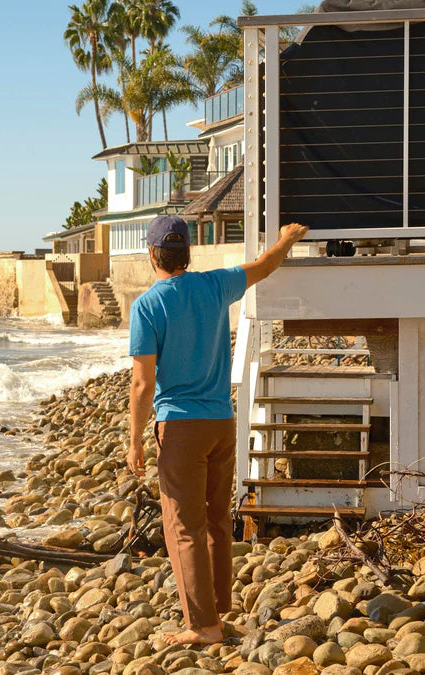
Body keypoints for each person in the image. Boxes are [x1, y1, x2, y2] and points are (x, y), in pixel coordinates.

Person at [128, 215, 308, 646]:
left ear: (152, 253)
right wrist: (287, 239)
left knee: (184, 527)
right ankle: (219, 610)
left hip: (180, 427)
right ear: (186, 252)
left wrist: (134, 438)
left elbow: (142, 383)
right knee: (215, 521)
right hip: (221, 424)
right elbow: (265, 266)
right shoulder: (214, 286)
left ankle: (202, 626)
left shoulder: (147, 305)